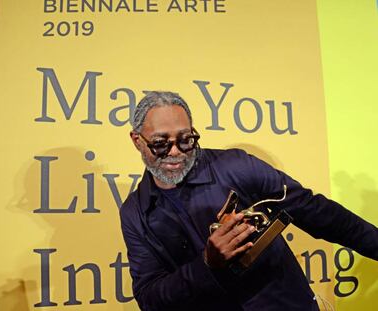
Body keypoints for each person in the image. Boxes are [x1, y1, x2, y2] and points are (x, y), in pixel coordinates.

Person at [120, 91, 378, 311]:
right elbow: (150, 297)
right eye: (160, 143)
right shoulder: (134, 213)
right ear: (136, 140)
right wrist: (207, 265)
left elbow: (318, 213)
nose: (175, 152)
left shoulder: (236, 166)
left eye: (186, 139)